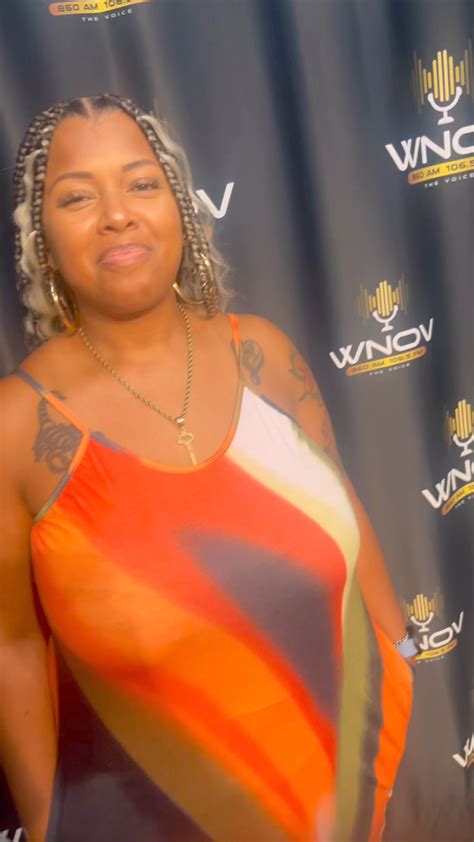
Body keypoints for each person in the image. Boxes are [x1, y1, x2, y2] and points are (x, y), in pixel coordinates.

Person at [0, 94, 416, 842]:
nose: (117, 215)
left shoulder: (265, 354)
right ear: (41, 239)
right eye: (77, 197)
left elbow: (342, 509)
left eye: (141, 183)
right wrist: (43, 819)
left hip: (338, 800)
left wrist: (400, 658)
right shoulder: (18, 426)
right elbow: (13, 644)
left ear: (179, 209)